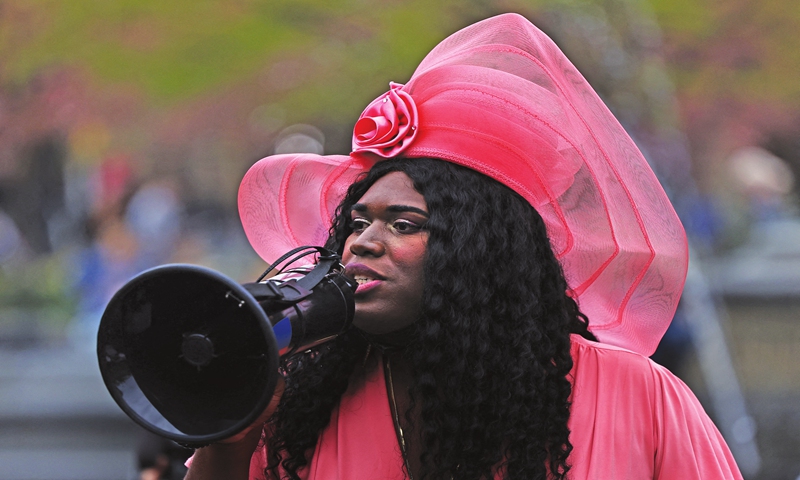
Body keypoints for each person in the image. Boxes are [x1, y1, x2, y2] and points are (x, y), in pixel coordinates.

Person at [187, 13, 743, 480]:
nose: (363, 243)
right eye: (356, 223)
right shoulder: (304, 408)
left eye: (404, 224)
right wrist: (229, 437)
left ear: (483, 254)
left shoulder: (638, 397)